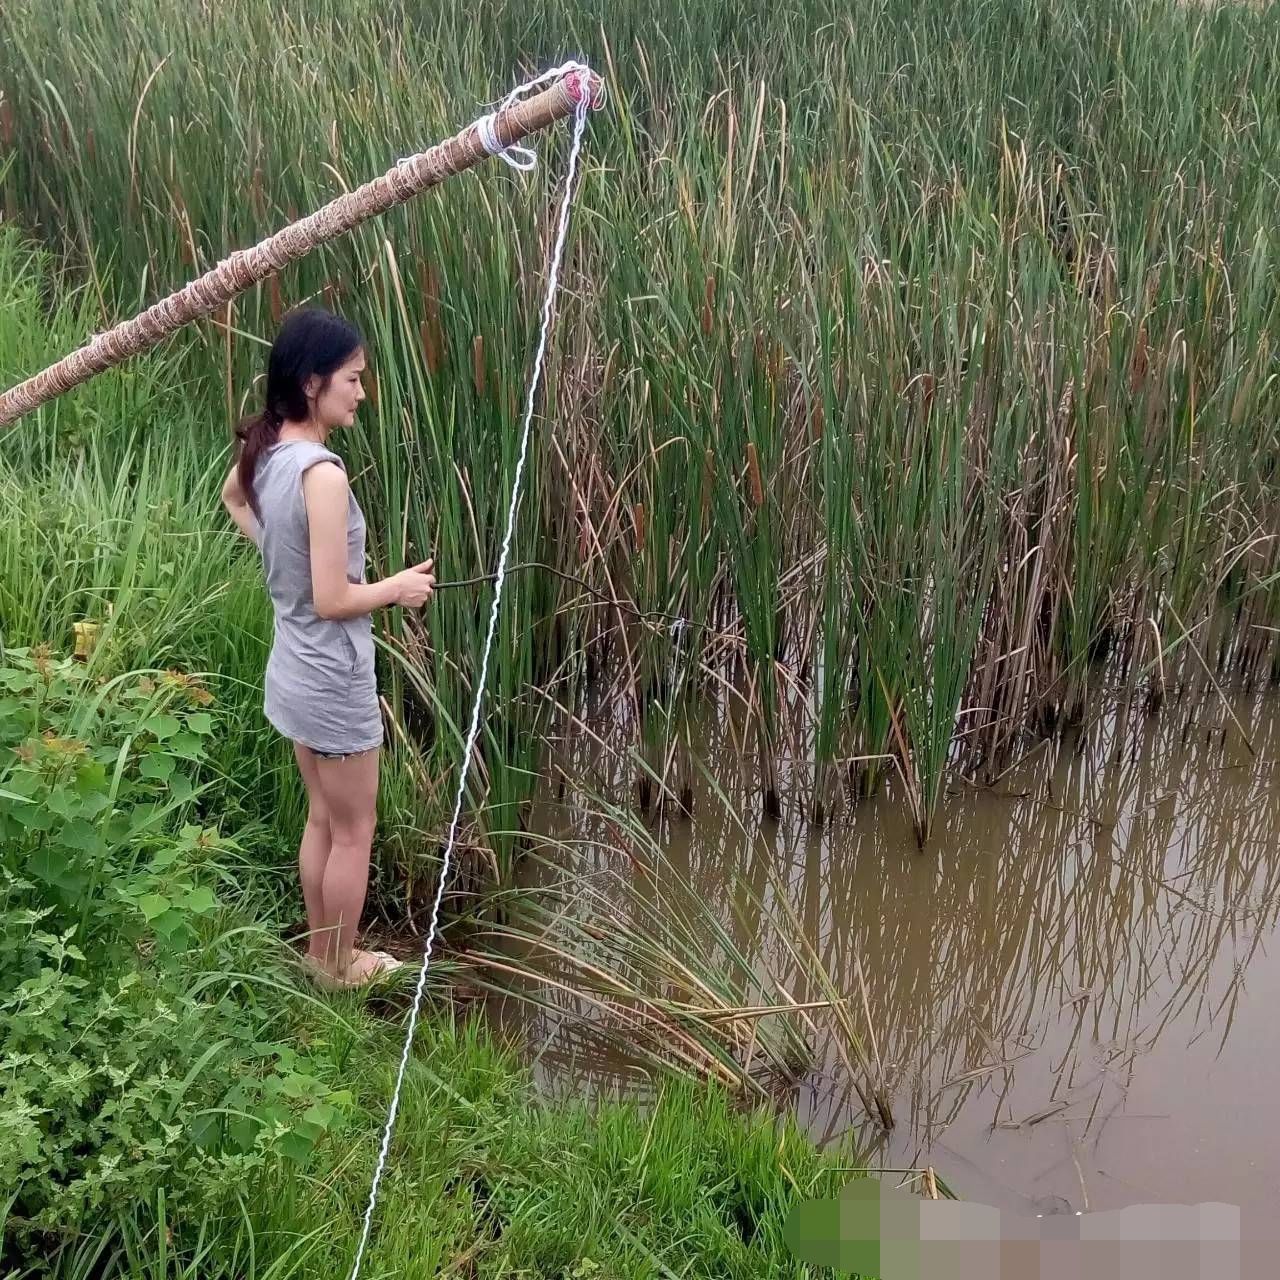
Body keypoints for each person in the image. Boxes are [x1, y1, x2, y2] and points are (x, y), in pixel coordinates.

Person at [220, 308, 436, 989]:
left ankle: (320, 955)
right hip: (331, 676)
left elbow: (234, 498)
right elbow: (334, 599)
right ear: (314, 382)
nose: (361, 392)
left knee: (323, 815)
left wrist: (279, 556)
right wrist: (396, 587)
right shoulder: (324, 474)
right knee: (355, 828)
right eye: (353, 378)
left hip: (292, 669)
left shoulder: (267, 445)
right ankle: (340, 966)